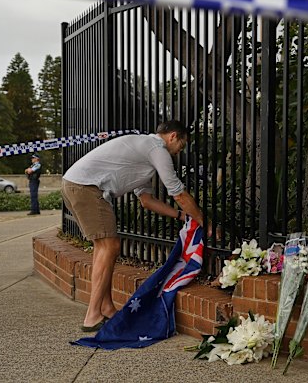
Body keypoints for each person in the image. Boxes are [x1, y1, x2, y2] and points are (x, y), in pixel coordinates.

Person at [61, 120, 211, 332]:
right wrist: (204, 221)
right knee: (110, 246)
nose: (180, 152)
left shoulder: (143, 154)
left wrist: (182, 216)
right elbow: (177, 192)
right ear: (173, 136)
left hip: (75, 184)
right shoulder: (156, 149)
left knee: (103, 247)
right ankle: (92, 315)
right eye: (182, 146)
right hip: (87, 187)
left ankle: (106, 308)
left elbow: (146, 200)